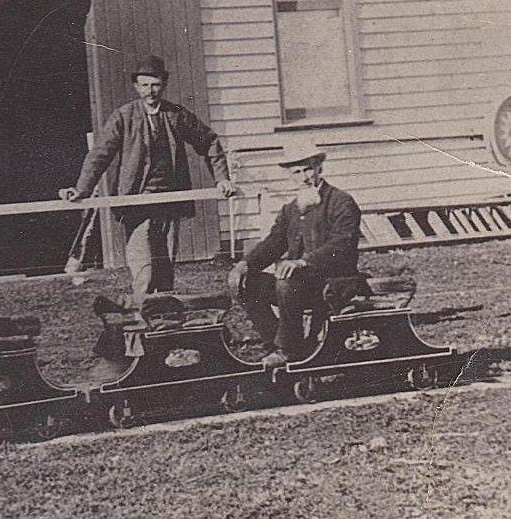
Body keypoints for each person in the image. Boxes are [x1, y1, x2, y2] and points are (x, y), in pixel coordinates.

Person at [58, 55, 235, 306]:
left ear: (163, 85)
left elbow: (208, 141)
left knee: (164, 271)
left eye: (155, 85)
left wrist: (222, 179)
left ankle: (164, 326)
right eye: (144, 85)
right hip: (138, 206)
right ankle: (140, 329)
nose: (150, 91)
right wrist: (81, 189)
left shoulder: (176, 115)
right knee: (144, 269)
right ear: (136, 86)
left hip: (170, 203)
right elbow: (100, 154)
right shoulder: (124, 117)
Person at [227, 142, 362, 368]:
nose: (304, 177)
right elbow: (274, 243)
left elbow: (343, 244)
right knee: (248, 283)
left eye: (308, 169)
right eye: (296, 172)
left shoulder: (341, 201)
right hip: (298, 283)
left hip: (335, 282)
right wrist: (245, 264)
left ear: (319, 168)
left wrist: (303, 262)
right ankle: (276, 344)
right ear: (291, 176)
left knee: (286, 281)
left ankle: (287, 349)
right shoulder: (291, 209)